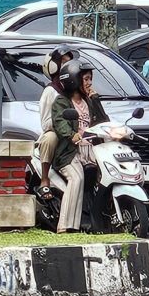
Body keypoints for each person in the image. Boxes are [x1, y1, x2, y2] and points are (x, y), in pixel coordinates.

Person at [49, 60, 107, 233]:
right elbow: (60, 122)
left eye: (90, 79)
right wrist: (72, 135)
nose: (89, 83)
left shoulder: (89, 101)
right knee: (77, 178)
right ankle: (66, 226)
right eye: (86, 79)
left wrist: (96, 100)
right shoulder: (62, 101)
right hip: (70, 151)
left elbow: (104, 121)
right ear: (74, 80)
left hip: (92, 150)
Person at [36, 44, 77, 200]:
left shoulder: (75, 88)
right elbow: (46, 122)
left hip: (79, 132)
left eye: (69, 62)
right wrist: (64, 126)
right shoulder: (51, 91)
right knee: (49, 138)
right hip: (60, 133)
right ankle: (45, 178)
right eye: (63, 62)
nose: (67, 66)